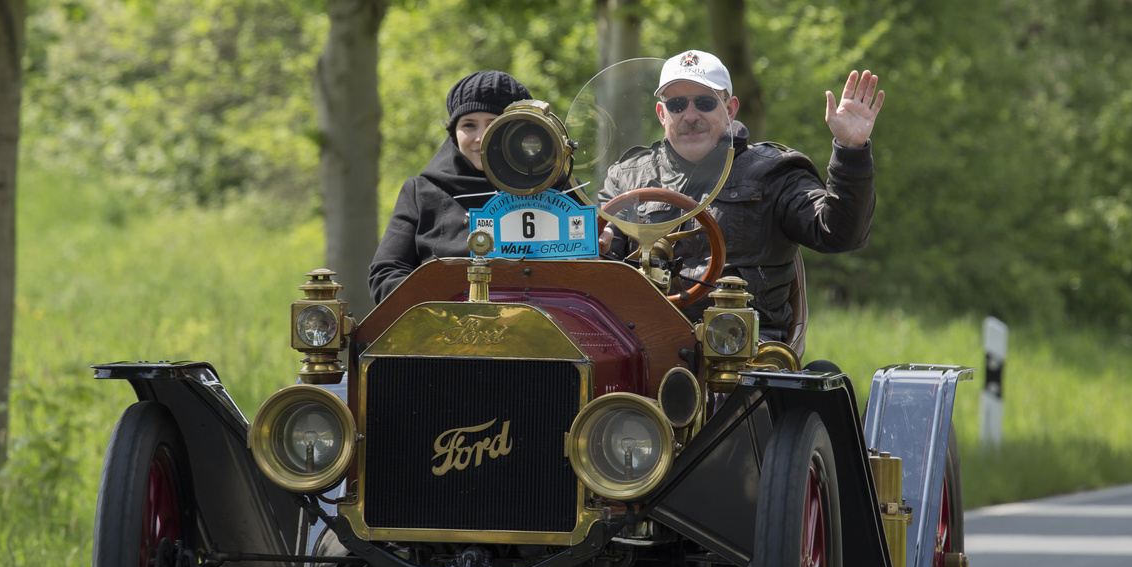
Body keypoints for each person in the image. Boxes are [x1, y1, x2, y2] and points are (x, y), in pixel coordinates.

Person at [598, 49, 882, 339]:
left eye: (706, 102)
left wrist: (850, 150)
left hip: (747, 346)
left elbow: (838, 234)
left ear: (730, 109)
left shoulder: (774, 171)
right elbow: (598, 267)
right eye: (677, 104)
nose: (691, 115)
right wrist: (598, 249)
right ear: (662, 114)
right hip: (645, 339)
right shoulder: (628, 177)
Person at [368, 70, 533, 304]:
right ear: (454, 134)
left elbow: (595, 268)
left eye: (495, 124)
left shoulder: (559, 189)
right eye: (469, 125)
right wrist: (443, 304)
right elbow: (385, 274)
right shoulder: (421, 192)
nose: (481, 137)